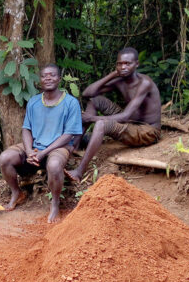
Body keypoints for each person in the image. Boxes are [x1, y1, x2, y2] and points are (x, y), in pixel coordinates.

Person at [0, 64, 82, 223]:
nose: (48, 78)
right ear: (39, 80)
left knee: (55, 165)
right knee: (5, 158)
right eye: (44, 76)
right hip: (36, 145)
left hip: (58, 147)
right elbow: (26, 129)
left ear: (59, 78)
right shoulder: (34, 102)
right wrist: (29, 151)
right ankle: (17, 193)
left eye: (52, 75)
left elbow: (68, 135)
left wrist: (43, 153)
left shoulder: (71, 103)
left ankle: (55, 204)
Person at [65, 47, 162, 182]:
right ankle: (75, 145)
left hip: (148, 130)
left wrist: (92, 118)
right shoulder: (120, 80)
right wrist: (112, 75)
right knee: (95, 101)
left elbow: (125, 116)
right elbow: (87, 93)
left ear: (137, 64)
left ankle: (79, 172)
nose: (123, 67)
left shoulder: (144, 83)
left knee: (101, 124)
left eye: (127, 64)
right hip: (130, 122)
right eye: (120, 64)